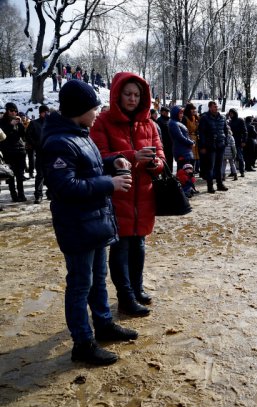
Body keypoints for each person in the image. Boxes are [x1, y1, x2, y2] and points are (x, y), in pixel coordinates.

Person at [42, 79, 137, 365]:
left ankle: (104, 325)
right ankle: (82, 343)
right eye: (94, 107)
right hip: (78, 226)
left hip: (94, 222)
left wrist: (114, 162)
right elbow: (66, 187)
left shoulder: (80, 134)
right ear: (79, 109)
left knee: (97, 281)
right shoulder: (59, 141)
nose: (97, 112)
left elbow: (88, 169)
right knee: (80, 285)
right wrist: (109, 183)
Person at [91, 72, 165, 316]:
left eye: (137, 94)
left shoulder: (150, 124)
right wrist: (132, 156)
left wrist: (154, 162)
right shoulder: (103, 121)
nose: (133, 99)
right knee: (121, 247)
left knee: (139, 245)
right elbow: (99, 157)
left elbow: (162, 158)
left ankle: (137, 287)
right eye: (128, 94)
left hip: (144, 196)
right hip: (117, 195)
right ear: (117, 95)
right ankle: (125, 296)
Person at [198, 101, 228, 192]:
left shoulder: (222, 117)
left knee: (219, 166)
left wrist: (225, 141)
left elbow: (225, 130)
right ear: (210, 107)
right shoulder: (205, 118)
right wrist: (202, 146)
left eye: (216, 106)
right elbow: (201, 133)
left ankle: (219, 184)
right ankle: (210, 186)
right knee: (210, 167)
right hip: (210, 145)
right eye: (214, 106)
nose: (216, 108)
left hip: (220, 145)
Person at [0, 102, 27, 202]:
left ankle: (21, 194)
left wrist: (20, 123)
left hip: (20, 151)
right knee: (11, 175)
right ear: (7, 111)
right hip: (8, 152)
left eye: (15, 111)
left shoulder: (17, 120)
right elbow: (2, 135)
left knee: (20, 175)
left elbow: (23, 135)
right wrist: (11, 125)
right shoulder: (2, 121)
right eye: (11, 110)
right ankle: (13, 195)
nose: (14, 113)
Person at [25, 105, 50, 203]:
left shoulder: (51, 124)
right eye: (44, 112)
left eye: (48, 112)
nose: (46, 114)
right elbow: (28, 135)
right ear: (40, 113)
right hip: (40, 152)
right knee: (40, 174)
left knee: (50, 174)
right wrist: (36, 145)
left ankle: (50, 193)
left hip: (50, 152)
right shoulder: (34, 123)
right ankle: (38, 195)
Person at [169, 106, 195, 172]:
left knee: (188, 173)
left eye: (182, 113)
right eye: (180, 113)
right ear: (175, 113)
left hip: (185, 150)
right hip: (181, 151)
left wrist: (190, 142)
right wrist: (191, 142)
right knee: (184, 174)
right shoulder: (173, 123)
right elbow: (180, 137)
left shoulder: (177, 123)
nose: (182, 115)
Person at [227, 108, 247, 177]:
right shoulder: (230, 122)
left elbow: (245, 131)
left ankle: (242, 171)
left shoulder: (240, 120)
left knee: (240, 157)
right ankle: (233, 171)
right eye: (230, 114)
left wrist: (244, 140)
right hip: (231, 141)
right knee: (232, 158)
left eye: (231, 113)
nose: (230, 115)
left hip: (239, 141)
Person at [182, 103, 200, 174]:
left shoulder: (194, 117)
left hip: (195, 138)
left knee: (195, 157)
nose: (193, 111)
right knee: (190, 157)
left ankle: (194, 170)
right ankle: (188, 172)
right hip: (188, 138)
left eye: (194, 109)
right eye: (192, 109)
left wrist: (197, 117)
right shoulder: (185, 118)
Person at [156, 106, 173, 172]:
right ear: (162, 112)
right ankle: (165, 174)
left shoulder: (169, 120)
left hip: (170, 142)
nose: (167, 113)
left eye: (168, 112)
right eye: (166, 112)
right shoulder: (159, 121)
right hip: (164, 143)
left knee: (170, 159)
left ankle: (170, 172)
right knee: (164, 159)